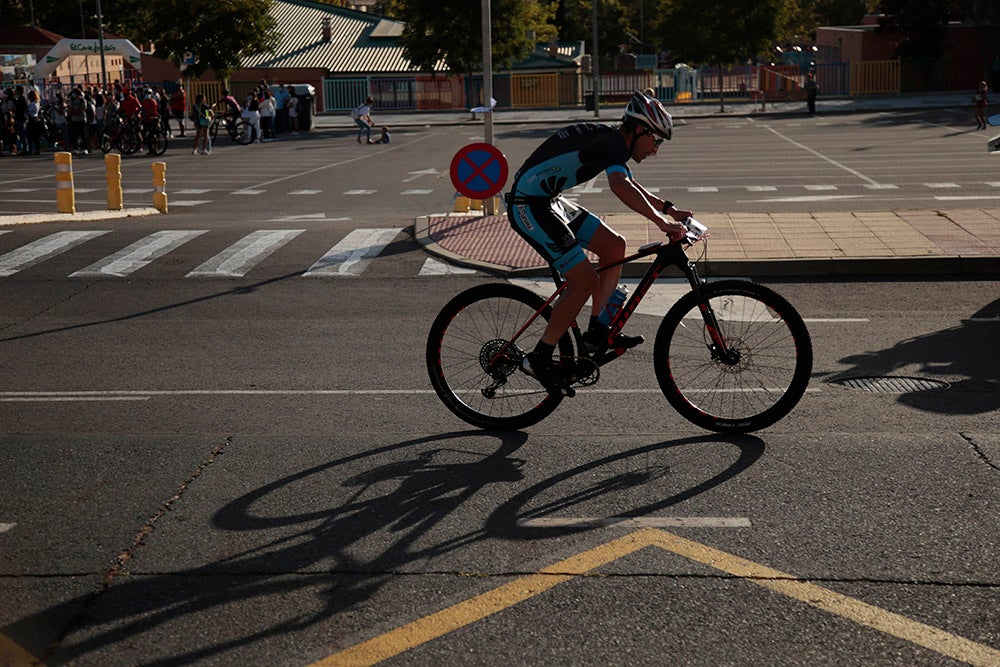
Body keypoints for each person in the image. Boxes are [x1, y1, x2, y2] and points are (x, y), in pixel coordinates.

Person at [507, 90, 691, 389]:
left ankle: (597, 331)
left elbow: (629, 183)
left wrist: (668, 210)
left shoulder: (614, 143)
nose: (655, 149)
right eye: (655, 141)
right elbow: (619, 186)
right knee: (584, 281)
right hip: (529, 205)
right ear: (640, 129)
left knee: (614, 246)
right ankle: (539, 357)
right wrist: (662, 223)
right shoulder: (610, 143)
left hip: (549, 201)